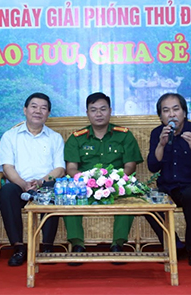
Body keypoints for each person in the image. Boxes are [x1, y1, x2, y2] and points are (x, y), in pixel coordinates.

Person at [63, 92, 143, 263]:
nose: (98, 114)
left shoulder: (124, 135)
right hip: (85, 185)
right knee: (70, 197)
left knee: (128, 198)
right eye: (93, 110)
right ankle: (77, 245)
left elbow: (130, 165)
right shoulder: (77, 138)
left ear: (110, 111)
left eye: (103, 109)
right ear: (87, 113)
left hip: (117, 184)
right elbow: (71, 168)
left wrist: (118, 181)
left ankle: (118, 245)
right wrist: (84, 181)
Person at [0, 92, 65, 267]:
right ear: (25, 110)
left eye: (43, 108)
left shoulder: (55, 138)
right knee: (7, 191)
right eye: (34, 107)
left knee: (53, 189)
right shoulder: (10, 136)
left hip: (44, 184)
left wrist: (41, 181)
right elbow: (7, 167)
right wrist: (23, 184)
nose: (38, 111)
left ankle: (47, 247)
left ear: (48, 113)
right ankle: (18, 248)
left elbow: (60, 169)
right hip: (19, 185)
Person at [147, 93, 191, 266]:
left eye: (176, 109)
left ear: (184, 113)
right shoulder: (157, 133)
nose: (171, 114)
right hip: (167, 187)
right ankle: (175, 246)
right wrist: (161, 144)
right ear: (160, 116)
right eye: (166, 110)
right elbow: (153, 166)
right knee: (148, 201)